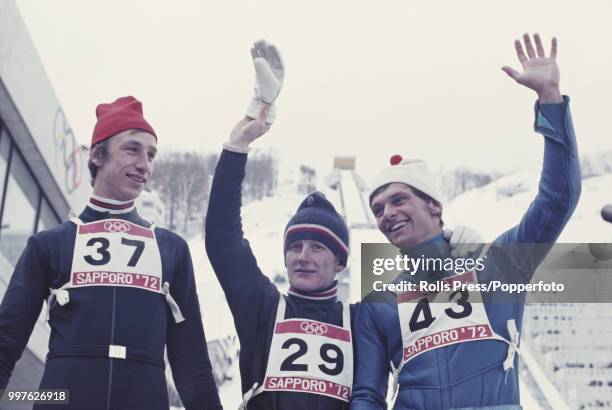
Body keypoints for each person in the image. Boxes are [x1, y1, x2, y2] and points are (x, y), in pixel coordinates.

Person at [205, 40, 483, 409]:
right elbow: (223, 241)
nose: (302, 256)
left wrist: (449, 252)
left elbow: (437, 339)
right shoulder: (263, 309)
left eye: (317, 247)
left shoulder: (361, 321)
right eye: (294, 247)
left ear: (340, 261)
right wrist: (240, 142)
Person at [350, 33, 581, 409]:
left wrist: (550, 102)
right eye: (377, 209)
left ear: (434, 206)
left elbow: (559, 197)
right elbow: (366, 394)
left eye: (398, 199)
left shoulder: (498, 265)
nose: (387, 213)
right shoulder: (378, 304)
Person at [0, 96, 222, 410]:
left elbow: (192, 362)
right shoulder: (50, 244)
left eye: (151, 154)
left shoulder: (172, 249)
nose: (145, 164)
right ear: (97, 155)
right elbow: (5, 342)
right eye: (132, 149)